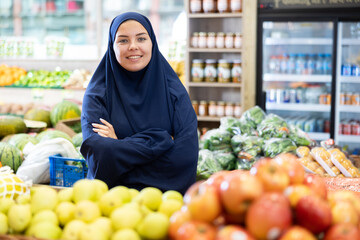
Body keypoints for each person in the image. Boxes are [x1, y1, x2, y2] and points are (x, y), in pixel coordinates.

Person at [80, 12, 199, 194]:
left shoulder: (174, 93)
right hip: (110, 199)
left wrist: (118, 145)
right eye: (123, 40)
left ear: (152, 42)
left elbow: (184, 158)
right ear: (112, 46)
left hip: (165, 200)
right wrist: (163, 140)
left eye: (141, 39)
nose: (133, 47)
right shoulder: (97, 95)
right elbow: (99, 153)